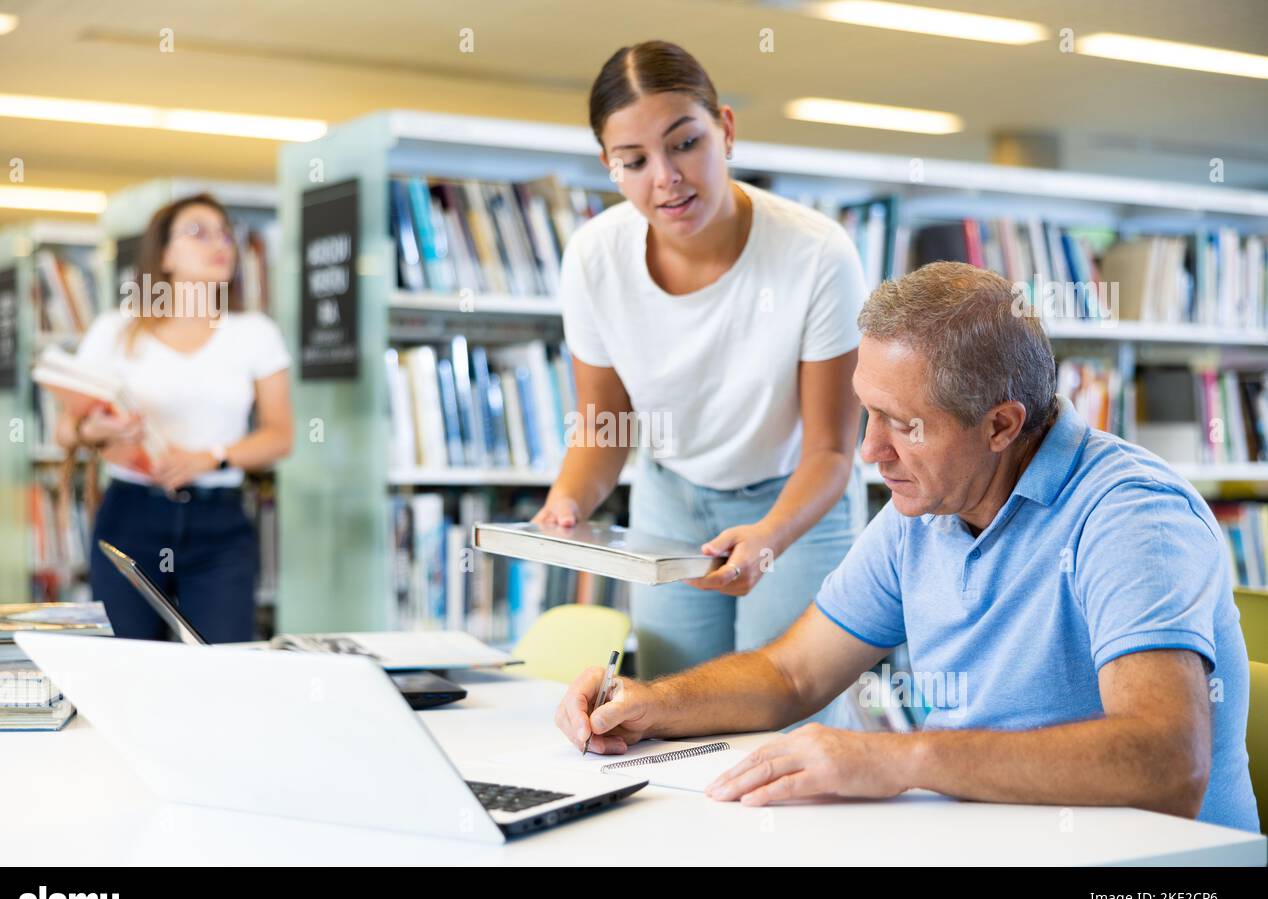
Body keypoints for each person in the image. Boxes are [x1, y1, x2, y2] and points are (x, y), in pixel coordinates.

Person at [553, 260, 1259, 833]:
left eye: (902, 424)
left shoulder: (1131, 517)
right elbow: (792, 677)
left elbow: (1165, 764)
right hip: (990, 839)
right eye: (867, 414)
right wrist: (650, 702)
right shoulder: (923, 509)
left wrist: (900, 758)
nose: (868, 451)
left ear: (1001, 425)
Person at [533, 40, 868, 685]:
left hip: (793, 498)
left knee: (786, 703)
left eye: (685, 143)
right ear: (610, 167)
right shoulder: (594, 258)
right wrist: (568, 500)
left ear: (727, 130)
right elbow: (605, 430)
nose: (666, 178)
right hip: (670, 497)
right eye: (634, 161)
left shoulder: (817, 254)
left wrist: (770, 534)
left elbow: (831, 450)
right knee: (676, 703)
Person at [57, 193, 293, 643]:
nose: (219, 243)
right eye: (198, 232)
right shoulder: (116, 329)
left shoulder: (254, 333)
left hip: (218, 523)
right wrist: (97, 429)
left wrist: (213, 456)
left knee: (223, 669)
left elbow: (280, 436)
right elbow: (67, 429)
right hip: (131, 516)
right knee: (127, 667)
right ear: (164, 254)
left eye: (226, 233)